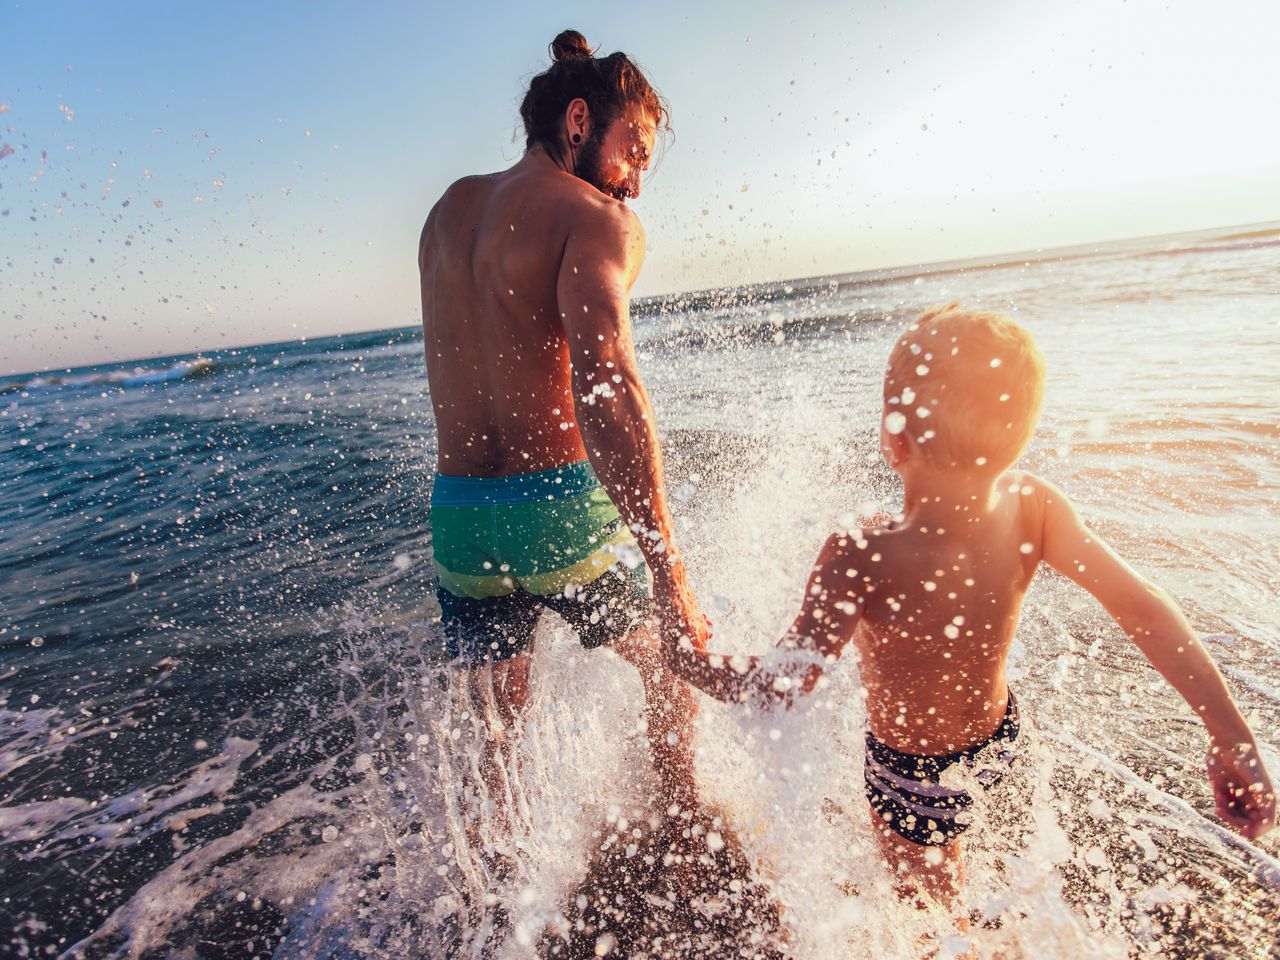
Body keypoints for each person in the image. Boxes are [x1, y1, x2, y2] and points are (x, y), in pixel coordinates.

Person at [663, 303, 1275, 917]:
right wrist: (1232, 736)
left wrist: (685, 658)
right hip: (1003, 743)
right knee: (1012, 893)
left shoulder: (858, 552)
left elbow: (782, 685)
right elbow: (1143, 608)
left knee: (934, 925)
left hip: (913, 777)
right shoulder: (1034, 506)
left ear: (894, 436)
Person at [418, 30, 706, 839]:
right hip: (558, 513)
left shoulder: (447, 211)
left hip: (461, 521)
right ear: (579, 119)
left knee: (498, 721)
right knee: (667, 667)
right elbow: (608, 387)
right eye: (634, 153)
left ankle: (500, 890)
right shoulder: (593, 219)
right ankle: (683, 832)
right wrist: (669, 568)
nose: (636, 184)